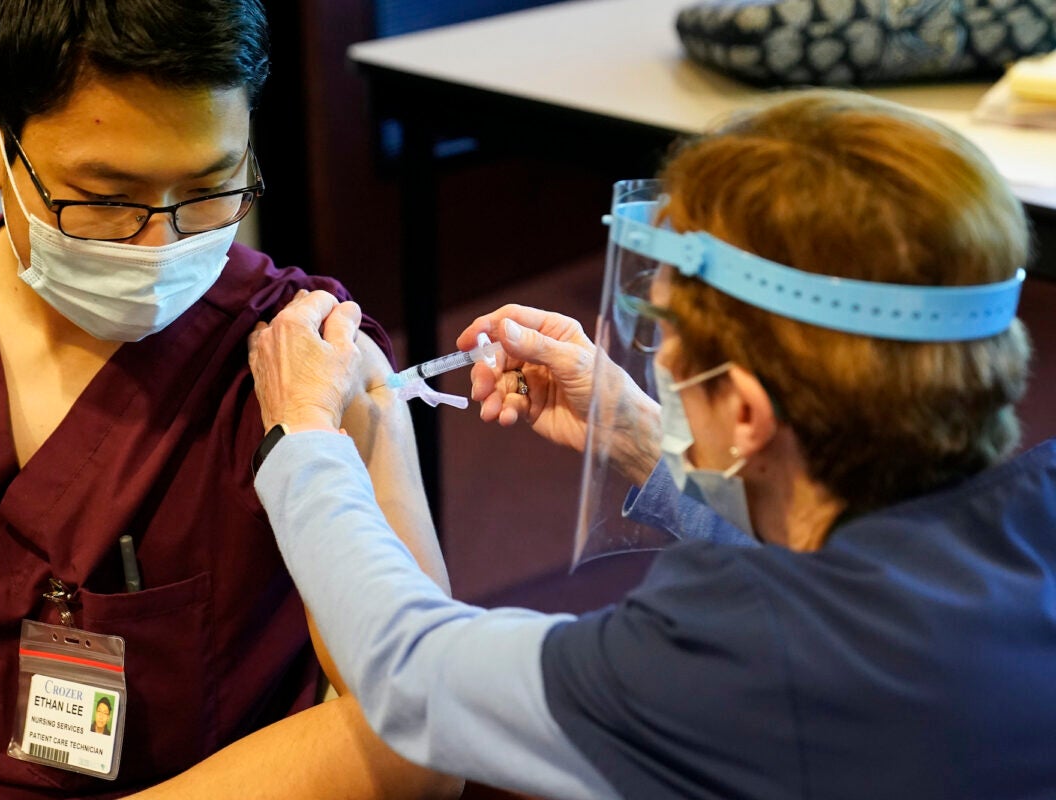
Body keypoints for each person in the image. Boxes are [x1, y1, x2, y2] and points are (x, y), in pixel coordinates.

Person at [245, 90, 1056, 800]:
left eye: (665, 336)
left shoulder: (736, 652)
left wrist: (306, 436)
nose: (658, 358)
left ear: (744, 411)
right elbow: (852, 575)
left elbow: (414, 679)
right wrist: (637, 433)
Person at [0, 1, 459, 798]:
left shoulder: (310, 364)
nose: (162, 248)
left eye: (212, 190)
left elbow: (421, 742)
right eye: (106, 201)